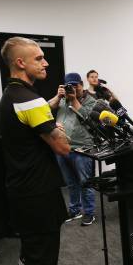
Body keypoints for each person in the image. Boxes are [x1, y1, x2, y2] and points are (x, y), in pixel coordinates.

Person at [0, 36, 86, 265]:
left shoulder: (11, 95)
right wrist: (57, 129)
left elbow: (35, 123)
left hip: (22, 191)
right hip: (38, 193)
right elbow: (63, 146)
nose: (45, 62)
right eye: (38, 58)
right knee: (41, 259)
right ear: (20, 63)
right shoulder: (31, 101)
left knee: (29, 254)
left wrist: (50, 118)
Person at [47, 72, 99, 226]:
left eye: (75, 85)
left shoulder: (90, 100)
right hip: (63, 147)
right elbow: (47, 108)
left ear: (81, 85)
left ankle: (89, 212)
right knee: (71, 182)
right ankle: (75, 209)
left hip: (82, 148)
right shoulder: (62, 99)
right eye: (69, 86)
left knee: (85, 182)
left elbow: (87, 118)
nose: (73, 89)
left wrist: (74, 99)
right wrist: (58, 96)